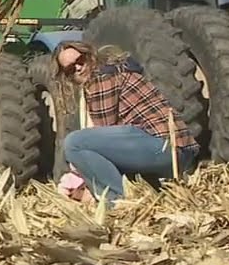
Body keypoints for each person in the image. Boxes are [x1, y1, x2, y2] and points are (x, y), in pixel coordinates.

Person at [54, 40, 200, 206]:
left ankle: (117, 203)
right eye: (70, 69)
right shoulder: (116, 70)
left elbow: (102, 132)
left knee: (74, 143)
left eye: (80, 61)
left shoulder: (102, 78)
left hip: (165, 147)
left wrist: (80, 175)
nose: (78, 68)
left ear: (90, 55)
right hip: (175, 150)